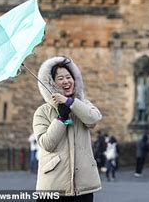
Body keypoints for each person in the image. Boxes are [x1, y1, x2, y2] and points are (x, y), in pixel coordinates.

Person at [33, 56, 102, 202]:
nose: (66, 81)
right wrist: (61, 119)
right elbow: (47, 144)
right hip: (53, 186)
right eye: (60, 78)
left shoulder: (83, 105)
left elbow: (94, 119)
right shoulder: (43, 112)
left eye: (69, 77)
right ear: (52, 84)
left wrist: (70, 103)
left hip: (82, 187)